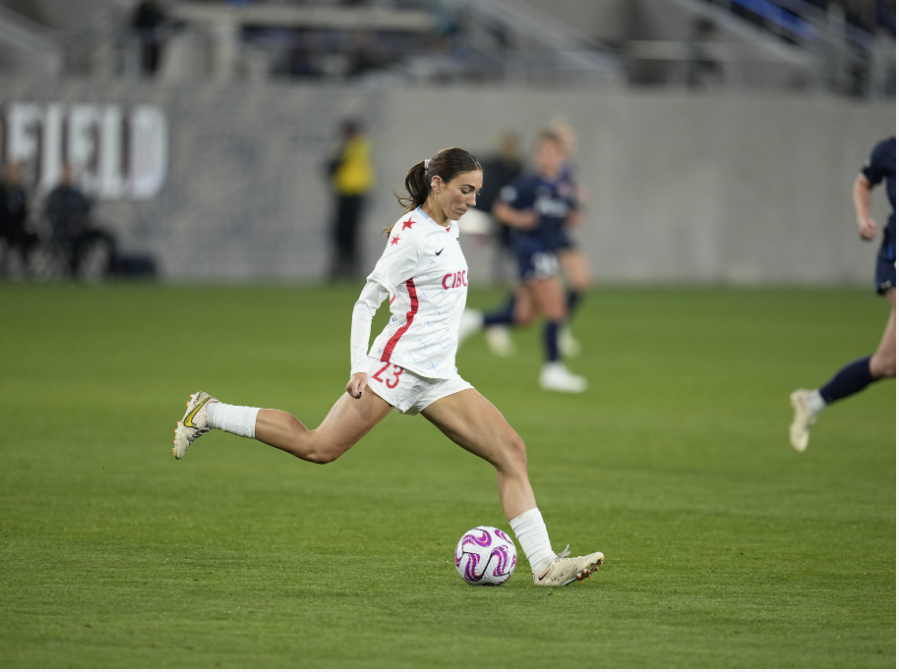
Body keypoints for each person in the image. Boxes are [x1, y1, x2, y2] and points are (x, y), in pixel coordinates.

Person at [171, 147, 604, 587]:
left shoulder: (447, 224)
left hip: (438, 375)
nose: (473, 201)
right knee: (318, 447)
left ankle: (545, 565)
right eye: (466, 190)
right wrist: (360, 367)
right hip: (395, 367)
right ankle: (208, 412)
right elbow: (366, 302)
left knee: (511, 451)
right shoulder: (411, 237)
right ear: (438, 185)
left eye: (477, 192)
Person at [459, 131, 588, 393]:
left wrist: (576, 209)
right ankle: (553, 370)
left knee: (524, 315)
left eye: (553, 152)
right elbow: (501, 209)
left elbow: (573, 216)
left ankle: (473, 320)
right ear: (537, 156)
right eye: (543, 151)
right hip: (531, 250)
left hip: (548, 251)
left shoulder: (563, 187)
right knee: (556, 309)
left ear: (562, 156)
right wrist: (520, 220)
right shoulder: (528, 184)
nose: (548, 157)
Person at [790, 136, 895, 452]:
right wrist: (863, 217)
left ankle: (812, 402)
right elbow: (864, 183)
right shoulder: (889, 150)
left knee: (886, 365)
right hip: (895, 257)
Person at [45, 164, 118, 278]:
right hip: (63, 232)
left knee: (108, 237)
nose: (68, 176)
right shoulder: (55, 195)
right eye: (66, 173)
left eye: (70, 174)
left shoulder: (77, 194)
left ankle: (112, 271)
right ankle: (73, 271)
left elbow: (86, 210)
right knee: (75, 243)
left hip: (81, 230)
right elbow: (53, 215)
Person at [326, 119, 375, 279]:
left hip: (353, 193)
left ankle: (348, 266)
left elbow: (335, 165)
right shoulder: (356, 146)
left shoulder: (354, 146)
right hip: (346, 193)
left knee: (347, 232)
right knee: (344, 232)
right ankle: (346, 265)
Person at [0, 162, 37, 274]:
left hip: (16, 227)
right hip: (3, 226)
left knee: (30, 237)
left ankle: (26, 267)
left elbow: (24, 212)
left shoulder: (20, 192)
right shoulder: (2, 190)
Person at [132, 0, 168, 76]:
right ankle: (145, 74)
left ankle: (153, 74)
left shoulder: (158, 9)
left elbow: (161, 21)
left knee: (154, 56)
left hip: (154, 38)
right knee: (144, 56)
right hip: (144, 37)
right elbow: (136, 23)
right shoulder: (142, 10)